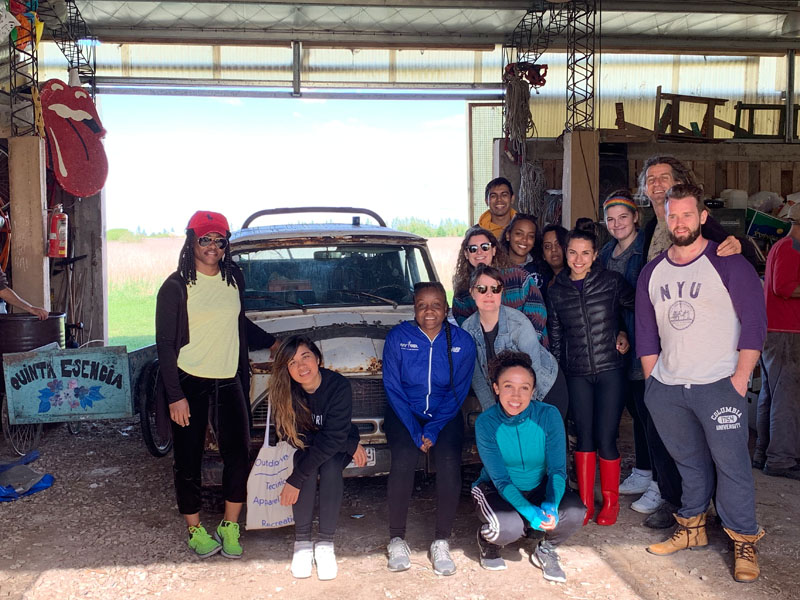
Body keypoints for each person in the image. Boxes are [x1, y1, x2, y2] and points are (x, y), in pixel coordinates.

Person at [636, 183, 767, 583]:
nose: (679, 222)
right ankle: (691, 528)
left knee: (732, 466)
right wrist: (654, 383)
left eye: (687, 214)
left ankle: (744, 538)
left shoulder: (729, 262)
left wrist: (740, 378)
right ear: (665, 218)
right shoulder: (652, 271)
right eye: (672, 215)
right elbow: (646, 332)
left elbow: (755, 324)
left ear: (702, 217)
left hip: (718, 383)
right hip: (670, 388)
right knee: (688, 463)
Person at [155, 210, 277, 559]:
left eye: (218, 239)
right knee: (189, 458)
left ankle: (230, 525)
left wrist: (272, 343)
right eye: (204, 239)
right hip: (188, 380)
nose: (212, 246)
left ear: (226, 244)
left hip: (228, 379)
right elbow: (164, 345)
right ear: (191, 241)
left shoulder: (232, 278)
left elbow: (239, 323)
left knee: (238, 454)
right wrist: (175, 396)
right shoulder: (176, 286)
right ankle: (195, 529)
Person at [598, 191, 683, 527]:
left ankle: (661, 485)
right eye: (611, 218)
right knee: (635, 409)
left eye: (623, 217)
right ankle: (643, 470)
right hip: (619, 338)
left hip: (644, 336)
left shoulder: (646, 250)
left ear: (635, 218)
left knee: (652, 413)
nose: (617, 224)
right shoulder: (606, 252)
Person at [382, 282, 476, 576]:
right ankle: (397, 539)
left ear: (446, 308)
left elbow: (459, 392)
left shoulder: (462, 341)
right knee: (403, 461)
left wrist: (433, 429)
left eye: (436, 304)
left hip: (444, 414)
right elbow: (393, 387)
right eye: (422, 305)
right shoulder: (398, 337)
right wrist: (413, 429)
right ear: (414, 308)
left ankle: (441, 540)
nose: (429, 311)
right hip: (404, 413)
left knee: (449, 464)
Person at [546, 224, 635, 527]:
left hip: (611, 370)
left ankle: (609, 503)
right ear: (565, 253)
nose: (578, 258)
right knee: (584, 438)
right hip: (577, 373)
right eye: (573, 252)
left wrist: (626, 334)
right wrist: (557, 374)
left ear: (596, 254)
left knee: (606, 438)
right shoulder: (557, 289)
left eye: (585, 253)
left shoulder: (611, 282)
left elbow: (635, 309)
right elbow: (556, 335)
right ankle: (584, 503)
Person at [472, 350, 585, 581]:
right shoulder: (486, 423)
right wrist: (529, 512)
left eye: (524, 387)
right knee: (507, 529)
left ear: (533, 391)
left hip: (538, 486)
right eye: (508, 386)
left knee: (575, 513)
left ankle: (546, 548)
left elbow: (557, 470)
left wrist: (551, 506)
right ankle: (488, 541)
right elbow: (501, 480)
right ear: (495, 388)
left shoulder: (548, 415)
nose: (516, 395)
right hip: (497, 488)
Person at [269, 336, 366, 580]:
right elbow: (294, 438)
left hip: (336, 444)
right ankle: (302, 544)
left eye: (305, 357)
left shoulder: (337, 386)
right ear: (287, 370)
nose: (301, 367)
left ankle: (325, 544)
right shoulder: (286, 392)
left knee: (330, 466)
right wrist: (345, 442)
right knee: (307, 465)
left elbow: (333, 437)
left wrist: (294, 480)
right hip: (315, 444)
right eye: (292, 363)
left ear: (318, 359)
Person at [462, 264, 568, 420]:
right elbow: (477, 378)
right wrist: (494, 415)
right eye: (482, 289)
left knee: (544, 439)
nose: (489, 294)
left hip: (543, 388)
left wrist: (521, 414)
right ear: (472, 292)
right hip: (508, 395)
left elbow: (533, 371)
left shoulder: (519, 323)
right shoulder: (467, 329)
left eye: (495, 289)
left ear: (502, 291)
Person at [637, 155, 757, 266]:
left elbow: (745, 254)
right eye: (651, 179)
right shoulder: (650, 227)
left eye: (664, 178)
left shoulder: (699, 222)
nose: (657, 183)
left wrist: (740, 245)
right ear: (644, 189)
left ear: (678, 183)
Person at [753, 202, 800, 480]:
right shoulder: (790, 248)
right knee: (787, 399)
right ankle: (781, 460)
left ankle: (764, 453)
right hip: (787, 333)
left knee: (771, 395)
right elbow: (782, 287)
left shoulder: (784, 246)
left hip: (778, 331)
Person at [452, 225, 548, 348]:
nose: (479, 252)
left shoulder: (519, 278)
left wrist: (517, 355)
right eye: (473, 249)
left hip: (529, 356)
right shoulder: (462, 293)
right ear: (466, 254)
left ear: (494, 250)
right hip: (488, 359)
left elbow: (538, 317)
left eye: (485, 247)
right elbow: (468, 333)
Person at [499, 213, 546, 289]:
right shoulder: (495, 266)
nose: (524, 239)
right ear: (508, 236)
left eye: (530, 236)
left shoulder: (542, 269)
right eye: (519, 234)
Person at [541, 224, 568, 294]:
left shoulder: (576, 278)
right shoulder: (544, 282)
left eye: (558, 244)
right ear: (543, 255)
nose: (553, 249)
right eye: (547, 246)